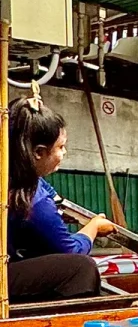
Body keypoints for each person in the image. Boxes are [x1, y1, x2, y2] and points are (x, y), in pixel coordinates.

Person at [6, 99, 111, 302]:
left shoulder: (20, 178)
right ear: (38, 152)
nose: (64, 153)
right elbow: (70, 249)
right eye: (61, 147)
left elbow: (51, 195)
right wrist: (94, 227)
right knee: (81, 268)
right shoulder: (33, 202)